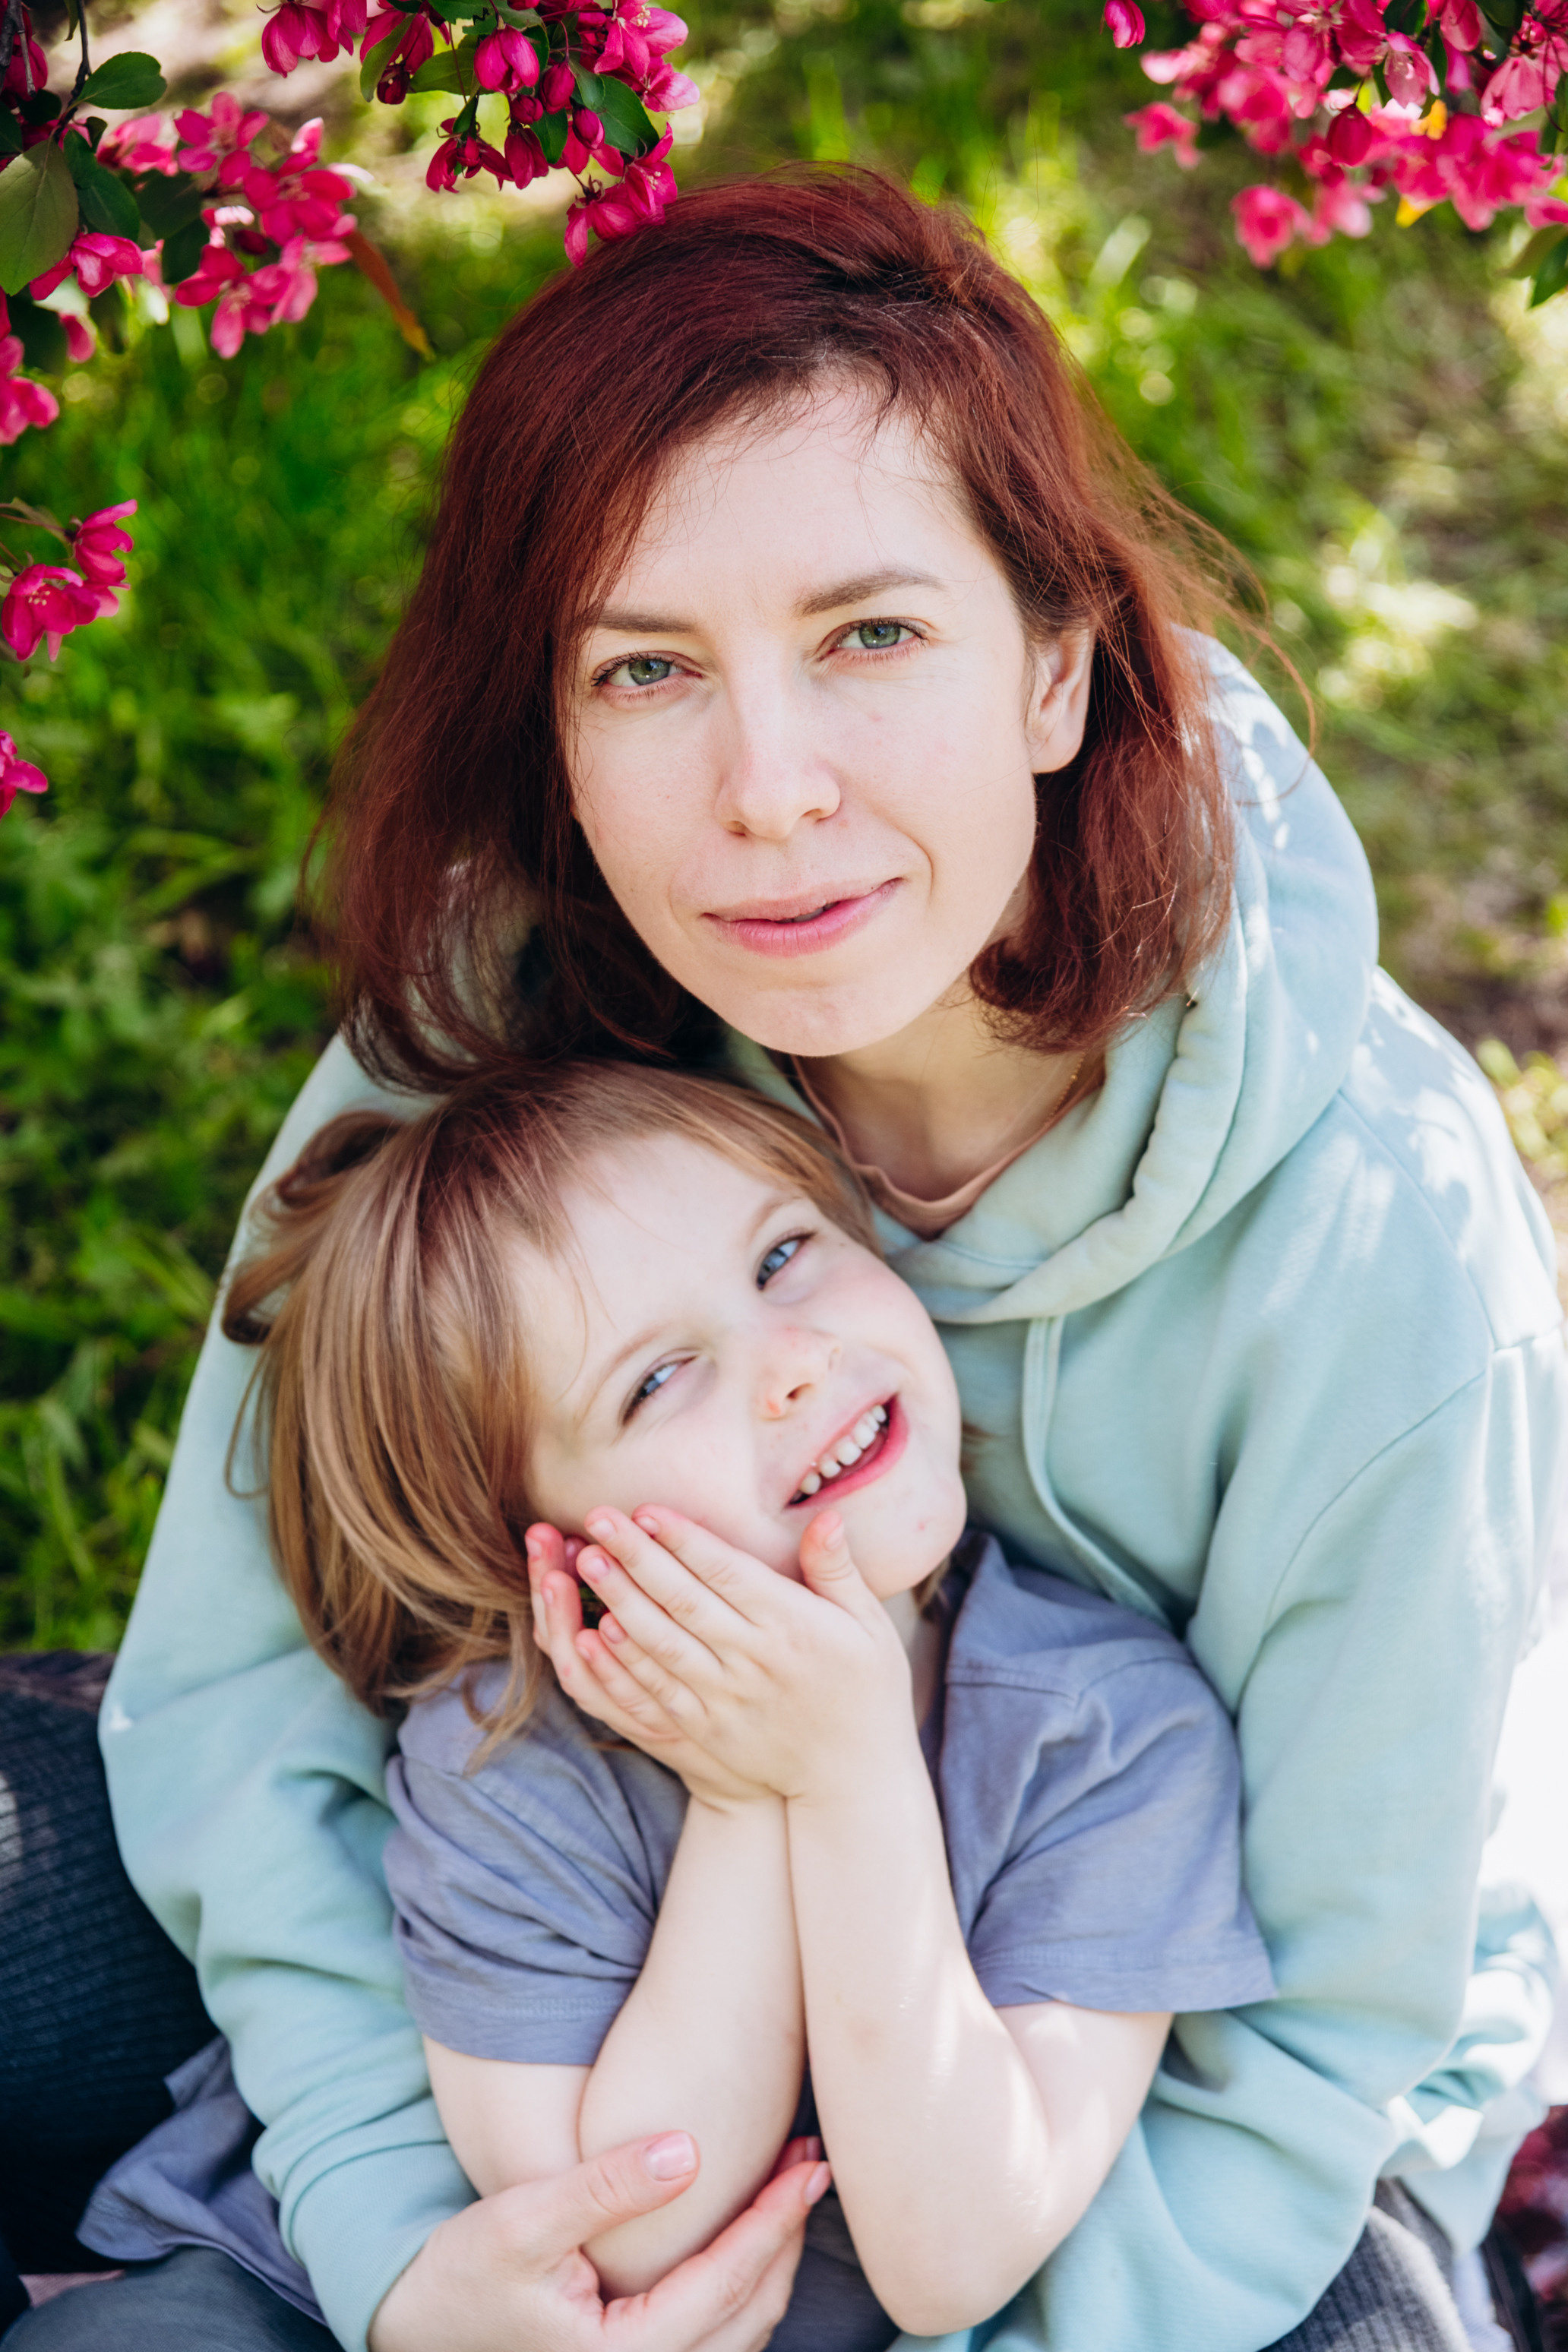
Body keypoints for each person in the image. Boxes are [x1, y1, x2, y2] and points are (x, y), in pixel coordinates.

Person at [1, 165, 1561, 2352]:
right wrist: (409, 2274)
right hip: (574, 1967)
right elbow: (247, 1704)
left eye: (871, 637)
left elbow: (1303, 2069)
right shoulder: (507, 1015)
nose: (767, 791)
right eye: (648, 668)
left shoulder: (1381, 1250)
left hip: (1145, 2126)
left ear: (1056, 661)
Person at [188, 1061, 1271, 2349]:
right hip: (309, 2302)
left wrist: (849, 1771)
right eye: (656, 1381)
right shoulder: (509, 1751)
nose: (794, 1367)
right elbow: (626, 2230)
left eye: (783, 1258)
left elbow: (955, 2253)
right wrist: (745, 1789)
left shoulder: (1106, 1734)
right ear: (544, 1542)